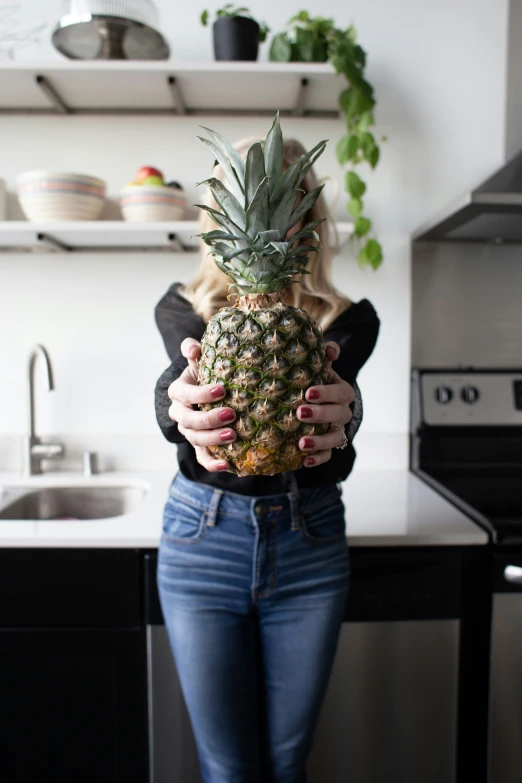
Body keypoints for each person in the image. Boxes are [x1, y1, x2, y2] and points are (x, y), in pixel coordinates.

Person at [154, 134, 380, 783]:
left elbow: (344, 410)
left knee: (286, 760)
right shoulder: (185, 310)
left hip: (309, 536)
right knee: (226, 764)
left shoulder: (346, 321)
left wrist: (347, 418)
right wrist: (177, 409)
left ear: (308, 219)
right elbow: (177, 378)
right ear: (218, 218)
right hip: (202, 538)